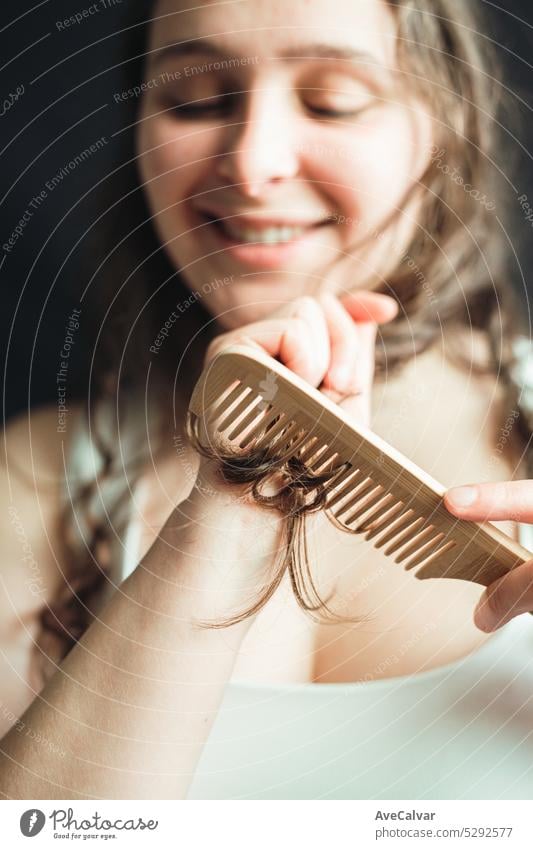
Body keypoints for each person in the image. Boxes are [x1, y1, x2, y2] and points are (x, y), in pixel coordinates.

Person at [2, 0, 533, 800]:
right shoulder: (32, 489)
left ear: (447, 126)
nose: (253, 163)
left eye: (332, 101)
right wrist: (224, 509)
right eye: (195, 99)